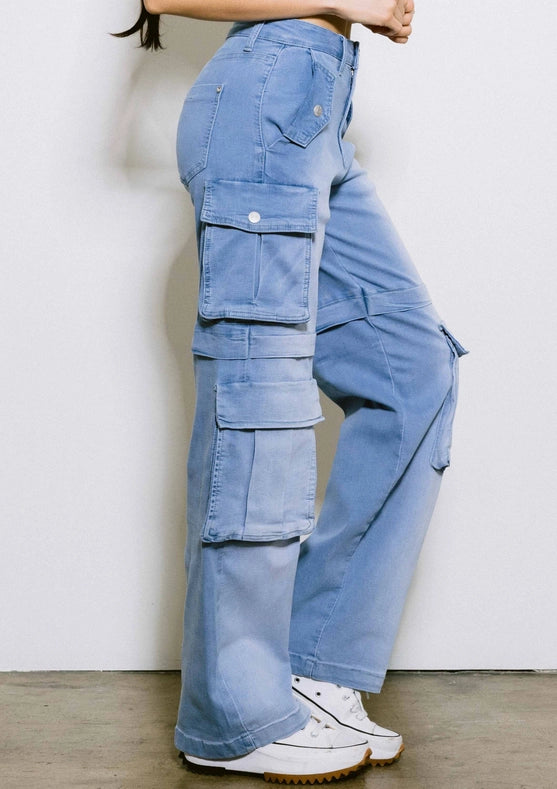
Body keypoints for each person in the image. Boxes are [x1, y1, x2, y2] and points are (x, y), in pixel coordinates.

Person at [113, 1, 469, 783]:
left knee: (412, 370)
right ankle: (233, 716)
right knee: (258, 399)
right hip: (263, 106)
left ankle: (312, 663)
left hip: (317, 109)